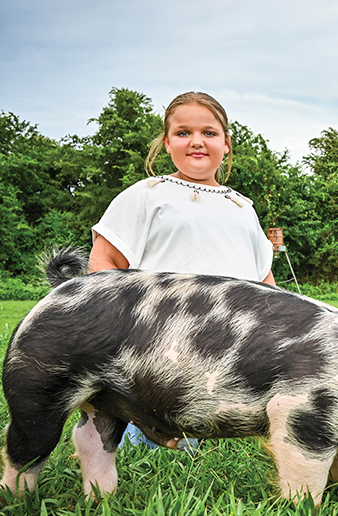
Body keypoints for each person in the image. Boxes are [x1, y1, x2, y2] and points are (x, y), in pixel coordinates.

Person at [89, 91, 276, 450]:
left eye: (209, 133)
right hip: (161, 347)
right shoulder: (147, 194)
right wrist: (117, 331)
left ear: (226, 143)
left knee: (227, 434)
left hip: (232, 350)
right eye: (183, 132)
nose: (196, 142)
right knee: (161, 438)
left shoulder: (242, 209)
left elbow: (266, 284)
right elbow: (103, 262)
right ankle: (140, 431)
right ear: (166, 142)